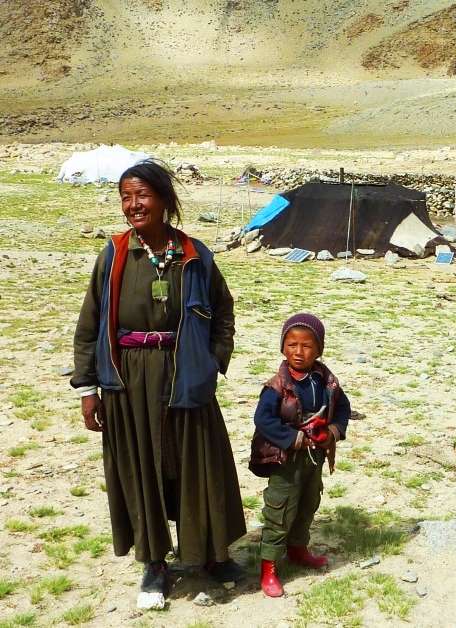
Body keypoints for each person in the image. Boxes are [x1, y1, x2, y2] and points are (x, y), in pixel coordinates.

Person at [71, 160, 246, 603]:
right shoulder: (113, 255)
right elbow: (89, 324)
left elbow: (223, 312)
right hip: (128, 380)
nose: (133, 206)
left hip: (186, 374)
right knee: (142, 466)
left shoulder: (194, 253)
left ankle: (209, 553)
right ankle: (153, 563)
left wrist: (213, 362)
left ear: (164, 200)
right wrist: (89, 389)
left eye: (142, 196)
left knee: (197, 463)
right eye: (126, 197)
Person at [249, 313, 351, 598]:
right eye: (292, 344)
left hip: (314, 458)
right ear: (283, 347)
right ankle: (268, 566)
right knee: (279, 510)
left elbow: (343, 407)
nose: (298, 351)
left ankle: (297, 549)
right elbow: (263, 419)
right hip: (286, 460)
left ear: (319, 349)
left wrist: (333, 431)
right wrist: (293, 438)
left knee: (308, 503)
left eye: (307, 345)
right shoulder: (276, 387)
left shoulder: (325, 381)